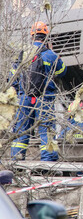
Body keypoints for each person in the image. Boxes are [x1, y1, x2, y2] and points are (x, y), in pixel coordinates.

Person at [11, 21, 67, 161]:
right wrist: (54, 52)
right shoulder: (50, 55)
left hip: (25, 98)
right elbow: (62, 71)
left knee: (21, 130)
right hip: (44, 98)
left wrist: (19, 92)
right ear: (46, 37)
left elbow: (13, 77)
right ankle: (47, 163)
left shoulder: (22, 54)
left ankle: (17, 162)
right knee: (46, 131)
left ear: (32, 36)